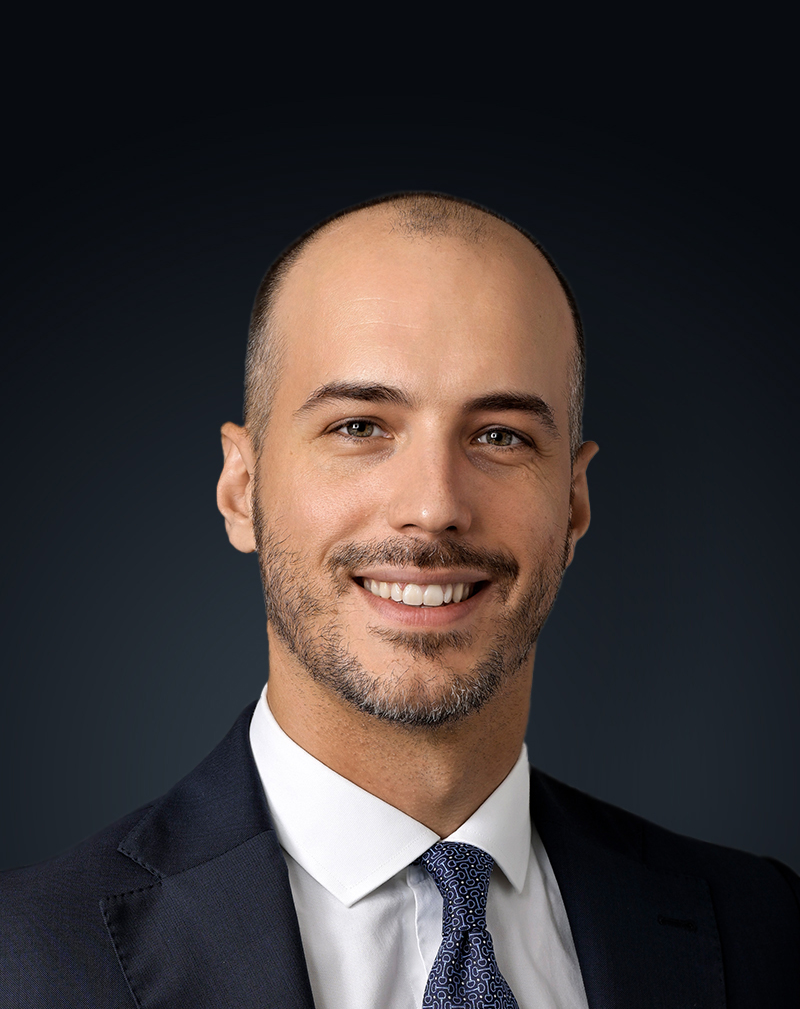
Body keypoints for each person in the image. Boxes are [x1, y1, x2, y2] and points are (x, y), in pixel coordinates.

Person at [1, 192, 798, 1008]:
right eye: (360, 426)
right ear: (242, 489)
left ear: (574, 501)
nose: (433, 504)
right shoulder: (25, 960)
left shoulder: (768, 931)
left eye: (501, 435)